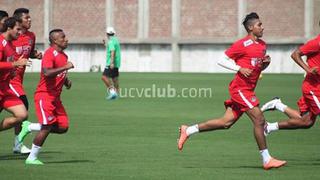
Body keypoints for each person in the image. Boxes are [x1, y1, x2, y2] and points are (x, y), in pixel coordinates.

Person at [177, 12, 286, 170]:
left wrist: (265, 64)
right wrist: (239, 68)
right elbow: (221, 60)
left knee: (225, 123)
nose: (263, 27)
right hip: (240, 89)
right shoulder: (242, 44)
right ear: (250, 28)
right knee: (259, 119)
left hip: (248, 89)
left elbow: (256, 68)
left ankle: (188, 130)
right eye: (259, 25)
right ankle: (266, 159)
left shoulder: (262, 45)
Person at [18, 29, 74, 165]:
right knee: (47, 127)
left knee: (63, 127)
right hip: (45, 96)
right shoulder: (50, 54)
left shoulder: (64, 56)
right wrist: (66, 67)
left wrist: (66, 81)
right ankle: (32, 157)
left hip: (56, 98)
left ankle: (29, 127)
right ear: (55, 40)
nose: (66, 39)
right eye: (63, 37)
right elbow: (47, 72)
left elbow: (59, 72)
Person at [261, 24, 320, 135]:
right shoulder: (316, 43)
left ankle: (272, 118)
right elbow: (295, 54)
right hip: (313, 88)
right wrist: (308, 69)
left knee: (306, 121)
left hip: (317, 87)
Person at [10, 8, 42, 154]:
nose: (30, 20)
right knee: (23, 106)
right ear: (18, 21)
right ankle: (18, 144)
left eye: (30, 18)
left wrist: (36, 55)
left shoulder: (31, 36)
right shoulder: (10, 37)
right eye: (26, 18)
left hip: (18, 80)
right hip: (10, 79)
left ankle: (17, 144)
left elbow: (28, 52)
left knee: (20, 112)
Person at [0, 17, 29, 138]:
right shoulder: (0, 43)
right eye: (18, 29)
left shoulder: (11, 46)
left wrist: (11, 71)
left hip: (5, 89)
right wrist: (15, 64)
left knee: (22, 115)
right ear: (8, 28)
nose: (20, 32)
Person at [101, 27, 121, 100]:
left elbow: (112, 51)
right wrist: (105, 45)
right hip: (117, 62)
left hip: (111, 63)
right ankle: (117, 94)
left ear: (107, 34)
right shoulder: (115, 40)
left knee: (104, 77)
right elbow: (111, 48)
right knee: (114, 78)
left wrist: (111, 62)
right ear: (114, 33)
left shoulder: (111, 41)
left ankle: (112, 92)